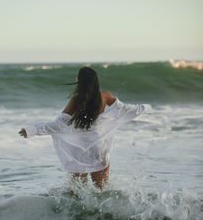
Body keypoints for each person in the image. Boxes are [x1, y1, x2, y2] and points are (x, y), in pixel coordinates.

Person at [19, 66, 151, 190]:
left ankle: (76, 215)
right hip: (98, 149)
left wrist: (32, 130)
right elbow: (125, 109)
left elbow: (59, 124)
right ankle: (103, 214)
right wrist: (146, 108)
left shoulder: (77, 99)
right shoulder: (105, 96)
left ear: (80, 81)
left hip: (78, 151)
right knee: (101, 191)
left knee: (76, 193)